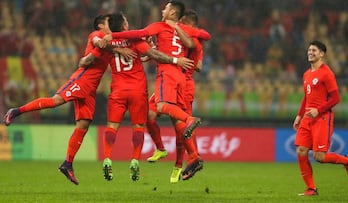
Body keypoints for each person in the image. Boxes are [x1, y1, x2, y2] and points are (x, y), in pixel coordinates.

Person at [79, 12, 194, 182]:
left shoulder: (107, 43)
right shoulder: (134, 40)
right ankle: (134, 160)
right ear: (125, 26)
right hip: (138, 91)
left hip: (118, 90)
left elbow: (86, 60)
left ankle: (108, 158)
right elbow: (155, 55)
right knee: (138, 127)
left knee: (112, 126)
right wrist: (175, 60)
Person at [2, 14, 114, 185]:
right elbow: (98, 43)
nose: (111, 24)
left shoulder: (110, 41)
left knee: (83, 124)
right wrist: (105, 42)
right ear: (100, 25)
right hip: (82, 80)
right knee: (56, 101)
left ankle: (67, 163)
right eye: (108, 22)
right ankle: (16, 111)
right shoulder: (96, 35)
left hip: (91, 89)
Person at [146, 9, 204, 183]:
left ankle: (187, 161)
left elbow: (198, 65)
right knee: (150, 112)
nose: (179, 27)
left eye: (183, 24)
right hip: (173, 80)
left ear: (190, 25)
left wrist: (186, 58)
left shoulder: (192, 39)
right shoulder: (178, 37)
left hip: (183, 85)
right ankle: (181, 155)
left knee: (180, 125)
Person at [292, 40, 348, 196]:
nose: (310, 52)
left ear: (322, 54)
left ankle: (347, 161)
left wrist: (318, 110)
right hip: (307, 118)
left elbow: (336, 98)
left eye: (314, 50)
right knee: (301, 151)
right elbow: (306, 97)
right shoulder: (306, 74)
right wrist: (299, 115)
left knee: (319, 157)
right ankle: (311, 189)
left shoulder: (326, 73)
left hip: (322, 118)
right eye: (309, 50)